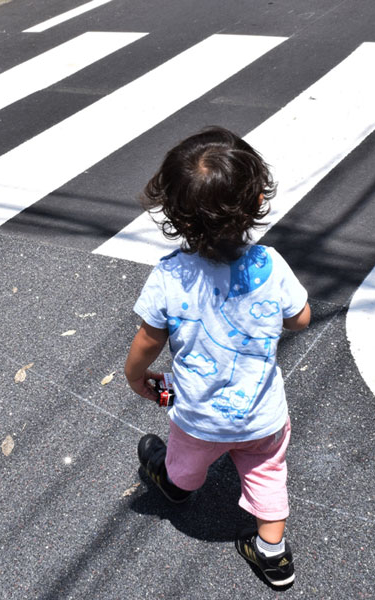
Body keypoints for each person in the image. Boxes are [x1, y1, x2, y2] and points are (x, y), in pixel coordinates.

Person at [124, 126, 311, 586]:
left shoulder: (171, 275)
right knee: (267, 473)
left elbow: (148, 340)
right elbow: (301, 319)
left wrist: (136, 376)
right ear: (257, 199)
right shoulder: (269, 263)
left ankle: (175, 486)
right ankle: (272, 553)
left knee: (186, 462)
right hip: (264, 415)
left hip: (199, 415)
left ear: (173, 212)